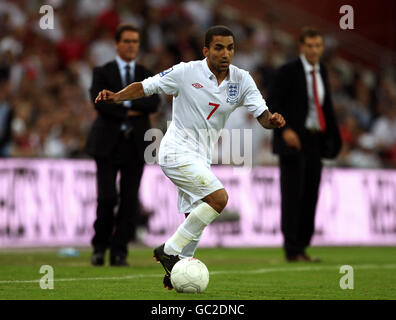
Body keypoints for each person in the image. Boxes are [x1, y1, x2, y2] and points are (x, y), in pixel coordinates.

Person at [95, 25, 285, 287]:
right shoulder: (186, 72)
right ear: (206, 50)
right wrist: (117, 97)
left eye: (230, 48)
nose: (225, 53)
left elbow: (262, 114)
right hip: (175, 151)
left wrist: (271, 120)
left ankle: (177, 271)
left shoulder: (241, 80)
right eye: (218, 47)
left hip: (201, 157)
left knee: (195, 216)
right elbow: (146, 86)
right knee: (219, 199)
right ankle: (169, 251)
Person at [86, 24, 160, 266]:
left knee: (129, 201)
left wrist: (118, 102)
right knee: (107, 198)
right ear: (116, 44)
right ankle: (99, 247)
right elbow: (99, 103)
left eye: (135, 41)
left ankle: (119, 251)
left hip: (135, 146)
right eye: (127, 41)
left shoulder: (146, 73)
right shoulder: (102, 72)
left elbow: (154, 103)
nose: (131, 45)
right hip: (107, 144)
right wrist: (133, 106)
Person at [268, 27, 341, 262]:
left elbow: (326, 108)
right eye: (309, 45)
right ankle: (292, 247)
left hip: (314, 141)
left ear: (322, 48)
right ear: (301, 47)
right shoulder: (288, 71)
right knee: (292, 195)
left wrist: (334, 138)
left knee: (310, 194)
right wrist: (285, 130)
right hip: (293, 141)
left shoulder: (322, 72)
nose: (313, 50)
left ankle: (302, 246)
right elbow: (272, 102)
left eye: (318, 45)